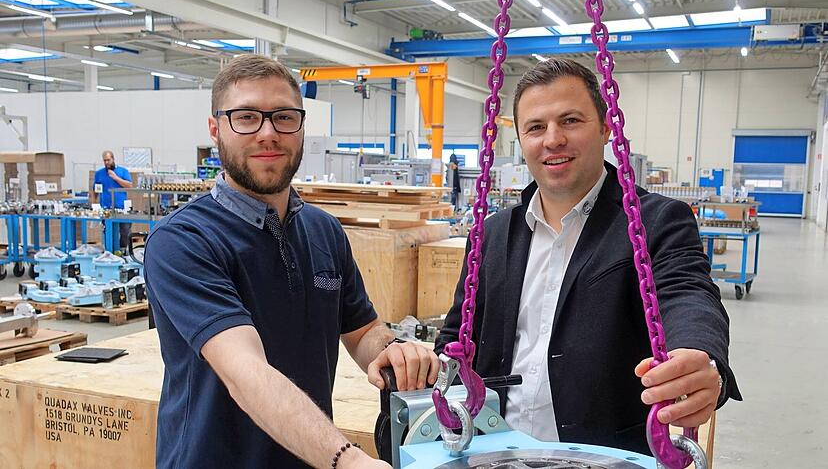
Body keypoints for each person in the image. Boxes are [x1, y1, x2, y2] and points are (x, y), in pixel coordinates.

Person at [144, 54, 438, 469]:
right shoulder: (183, 240)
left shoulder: (324, 231)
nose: (268, 134)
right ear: (216, 130)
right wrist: (349, 460)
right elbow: (244, 371)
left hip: (311, 458)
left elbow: (362, 330)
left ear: (301, 127)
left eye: (283, 117)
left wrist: (392, 350)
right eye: (246, 117)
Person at [435, 58, 741, 456]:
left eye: (571, 120)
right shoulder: (492, 234)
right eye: (536, 127)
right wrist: (412, 360)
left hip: (607, 456)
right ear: (521, 140)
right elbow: (456, 337)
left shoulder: (656, 223)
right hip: (495, 453)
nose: (552, 139)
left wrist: (700, 358)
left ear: (605, 127)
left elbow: (687, 294)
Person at [91, 150, 133, 250]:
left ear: (113, 159)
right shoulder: (99, 173)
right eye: (104, 160)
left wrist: (116, 178)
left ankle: (123, 250)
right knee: (108, 231)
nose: (106, 163)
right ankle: (110, 251)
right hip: (106, 208)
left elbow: (129, 185)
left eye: (108, 160)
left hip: (121, 208)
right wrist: (93, 204)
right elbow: (95, 190)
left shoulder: (123, 171)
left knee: (125, 231)